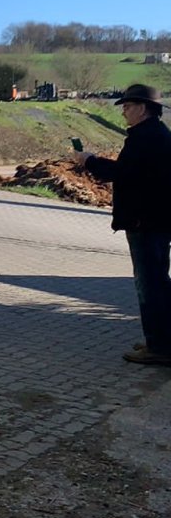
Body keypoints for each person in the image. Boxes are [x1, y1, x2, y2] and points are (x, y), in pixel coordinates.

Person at [71, 84, 171, 365]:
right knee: (158, 282)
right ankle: (161, 341)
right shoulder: (157, 135)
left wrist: (89, 161)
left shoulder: (145, 137)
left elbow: (121, 173)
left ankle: (160, 348)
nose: (124, 112)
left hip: (145, 222)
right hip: (157, 220)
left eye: (127, 107)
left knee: (149, 285)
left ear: (142, 108)